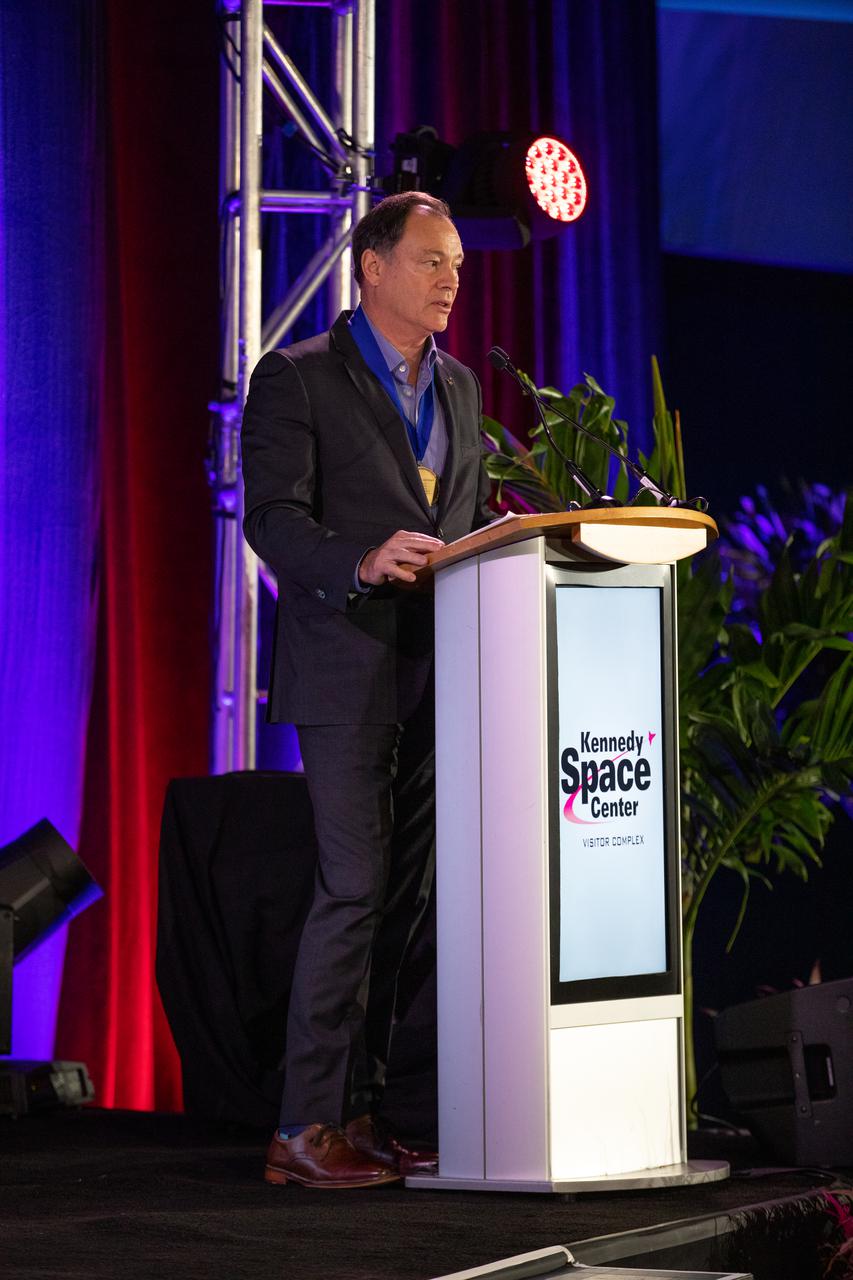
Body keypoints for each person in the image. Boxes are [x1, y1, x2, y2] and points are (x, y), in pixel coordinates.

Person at [241, 191, 493, 1189]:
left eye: (457, 264)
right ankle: (302, 1124)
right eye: (432, 260)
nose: (450, 279)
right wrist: (359, 560)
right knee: (352, 888)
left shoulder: (460, 386)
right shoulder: (297, 376)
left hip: (438, 669)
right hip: (344, 668)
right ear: (373, 267)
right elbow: (273, 519)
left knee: (404, 900)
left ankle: (366, 1111)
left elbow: (466, 518)